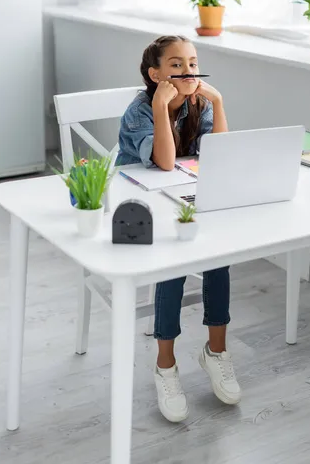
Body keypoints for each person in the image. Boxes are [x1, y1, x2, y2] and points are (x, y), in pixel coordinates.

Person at [117, 35, 241, 423]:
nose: (188, 71)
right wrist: (159, 108)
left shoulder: (199, 103)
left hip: (178, 200)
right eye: (176, 64)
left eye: (192, 62)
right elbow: (166, 163)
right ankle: (165, 364)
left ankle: (216, 352)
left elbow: (220, 156)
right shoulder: (139, 111)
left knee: (219, 256)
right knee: (172, 268)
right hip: (134, 210)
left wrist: (218, 102)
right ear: (155, 75)